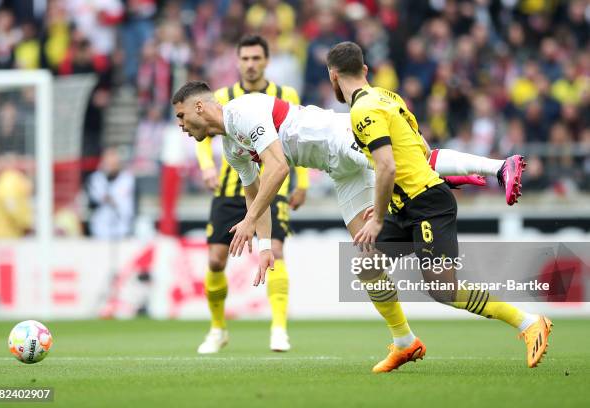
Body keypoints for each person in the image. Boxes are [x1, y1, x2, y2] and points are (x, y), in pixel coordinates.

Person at [171, 80, 529, 362]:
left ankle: (497, 167)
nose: (182, 127)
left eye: (182, 117)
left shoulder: (242, 111)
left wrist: (249, 221)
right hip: (337, 171)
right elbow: (254, 194)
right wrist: (264, 245)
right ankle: (404, 340)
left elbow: (277, 168)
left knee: (410, 163)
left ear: (199, 106)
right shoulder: (232, 146)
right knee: (370, 260)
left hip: (338, 138)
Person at [326, 41, 552, 373]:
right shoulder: (389, 97)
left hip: (427, 204)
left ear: (332, 76)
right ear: (365, 70)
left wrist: (376, 220)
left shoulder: (362, 111)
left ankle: (529, 322)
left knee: (443, 289)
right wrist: (385, 203)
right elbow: (421, 152)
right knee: (367, 265)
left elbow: (387, 166)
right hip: (406, 204)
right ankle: (405, 343)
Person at [194, 35, 308, 354]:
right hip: (231, 188)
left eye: (256, 58)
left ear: (267, 61)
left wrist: (303, 185)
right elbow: (202, 135)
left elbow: (295, 140)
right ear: (237, 61)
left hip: (273, 188)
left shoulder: (285, 94)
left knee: (276, 250)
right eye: (245, 58)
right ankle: (218, 329)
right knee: (216, 260)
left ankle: (279, 328)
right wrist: (206, 167)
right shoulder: (222, 96)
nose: (251, 64)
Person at [86, 147, 136, 239]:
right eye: (108, 160)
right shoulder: (97, 178)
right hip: (101, 228)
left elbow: (119, 199)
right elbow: (98, 197)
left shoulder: (127, 178)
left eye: (114, 160)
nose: (111, 164)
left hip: (122, 227)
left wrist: (111, 198)